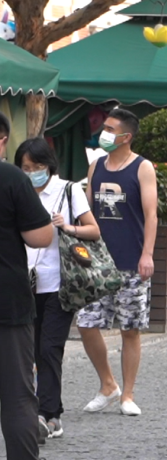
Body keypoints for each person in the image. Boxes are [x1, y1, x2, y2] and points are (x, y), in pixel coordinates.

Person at [17, 138, 101, 441]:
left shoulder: (68, 190)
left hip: (59, 283)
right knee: (31, 351)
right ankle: (44, 411)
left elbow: (94, 230)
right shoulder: (18, 190)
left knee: (49, 348)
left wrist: (67, 227)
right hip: (25, 284)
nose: (32, 173)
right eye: (25, 167)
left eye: (37, 166)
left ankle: (48, 415)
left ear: (49, 165)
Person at [78, 108, 158, 417]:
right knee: (86, 323)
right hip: (98, 263)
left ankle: (128, 394)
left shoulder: (142, 167)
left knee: (130, 328)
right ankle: (107, 384)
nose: (104, 133)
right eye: (104, 128)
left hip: (131, 260)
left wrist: (147, 254)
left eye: (111, 129)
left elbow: (151, 214)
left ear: (126, 136)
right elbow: (86, 209)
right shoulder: (96, 166)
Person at [0, 114, 55, 460]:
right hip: (8, 303)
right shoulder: (11, 178)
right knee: (17, 397)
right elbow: (40, 236)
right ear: (2, 139)